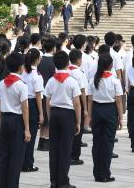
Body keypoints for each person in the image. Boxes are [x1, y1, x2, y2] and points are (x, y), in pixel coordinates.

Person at [45, 50, 82, 188]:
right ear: (67, 63)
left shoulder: (51, 80)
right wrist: (78, 121)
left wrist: (50, 117)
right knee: (65, 149)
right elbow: (76, 103)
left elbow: (47, 101)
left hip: (54, 113)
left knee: (54, 148)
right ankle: (63, 181)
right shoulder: (72, 81)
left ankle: (54, 180)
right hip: (67, 115)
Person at [0, 52, 31, 188]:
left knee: (3, 155)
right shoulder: (21, 85)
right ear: (21, 67)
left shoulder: (2, 83)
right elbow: (25, 108)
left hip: (5, 119)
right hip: (17, 121)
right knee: (16, 156)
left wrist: (0, 124)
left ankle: (1, 185)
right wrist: (27, 129)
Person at [89, 51, 123, 183]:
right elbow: (118, 100)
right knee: (108, 143)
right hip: (110, 110)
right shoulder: (114, 80)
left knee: (97, 142)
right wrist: (120, 117)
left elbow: (90, 99)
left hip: (97, 110)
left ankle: (97, 173)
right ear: (111, 65)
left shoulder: (94, 79)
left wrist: (90, 115)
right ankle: (105, 173)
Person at [20, 48, 44, 174]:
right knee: (31, 135)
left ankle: (21, 161)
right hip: (33, 105)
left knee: (23, 134)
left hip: (22, 104)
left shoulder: (22, 72)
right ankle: (28, 163)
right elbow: (38, 95)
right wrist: (41, 113)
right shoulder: (37, 75)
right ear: (37, 59)